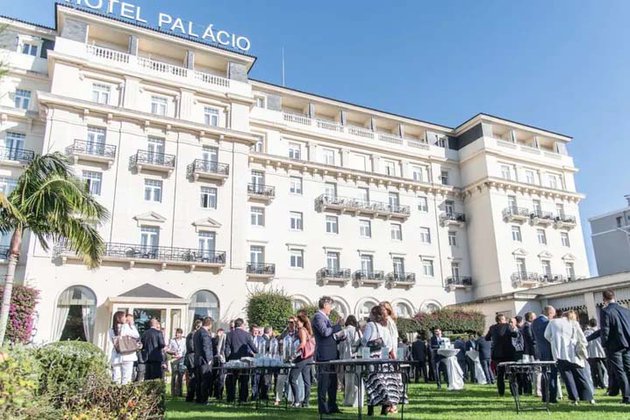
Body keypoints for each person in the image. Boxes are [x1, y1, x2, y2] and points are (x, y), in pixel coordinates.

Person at [361, 305, 404, 416]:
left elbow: (365, 340)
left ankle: (370, 410)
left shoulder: (370, 325)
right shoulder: (385, 329)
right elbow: (389, 346)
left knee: (371, 383)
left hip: (372, 357)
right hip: (384, 359)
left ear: (374, 315)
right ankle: (384, 408)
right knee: (384, 382)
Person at [544, 310, 594, 404]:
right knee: (581, 376)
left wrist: (554, 341)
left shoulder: (553, 322)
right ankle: (588, 397)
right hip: (574, 353)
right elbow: (582, 338)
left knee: (568, 378)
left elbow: (546, 335)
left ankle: (574, 398)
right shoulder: (574, 323)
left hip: (560, 354)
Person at [312, 296, 343, 415]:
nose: (331, 308)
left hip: (331, 353)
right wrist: (337, 326)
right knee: (324, 383)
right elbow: (325, 332)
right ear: (325, 305)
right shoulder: (318, 317)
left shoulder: (325, 317)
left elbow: (329, 335)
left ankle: (332, 405)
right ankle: (323, 407)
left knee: (333, 382)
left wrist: (338, 337)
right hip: (324, 355)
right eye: (330, 306)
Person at [600, 290, 630, 404]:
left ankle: (627, 397)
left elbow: (605, 330)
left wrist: (604, 344)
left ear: (604, 299)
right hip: (627, 343)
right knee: (628, 369)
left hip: (614, 345)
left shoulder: (606, 311)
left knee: (620, 371)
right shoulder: (625, 310)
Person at [225, 318, 258, 403]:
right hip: (244, 361)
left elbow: (227, 349)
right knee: (244, 380)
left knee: (232, 380)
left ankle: (231, 398)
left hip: (232, 361)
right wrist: (256, 352)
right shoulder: (246, 335)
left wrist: (228, 359)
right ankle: (243, 398)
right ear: (242, 325)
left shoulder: (229, 334)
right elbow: (253, 348)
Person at [485, 314, 517, 396]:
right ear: (502, 320)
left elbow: (487, 338)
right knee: (511, 372)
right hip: (508, 352)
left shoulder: (492, 328)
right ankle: (513, 391)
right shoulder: (507, 326)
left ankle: (501, 392)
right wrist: (513, 329)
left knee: (500, 374)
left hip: (497, 353)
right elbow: (514, 334)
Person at [532, 306, 559, 403]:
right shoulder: (548, 322)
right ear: (550, 313)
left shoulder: (534, 322)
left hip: (541, 351)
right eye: (553, 314)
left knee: (544, 374)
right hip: (550, 351)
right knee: (552, 375)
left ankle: (544, 396)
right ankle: (552, 397)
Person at [289, 314, 314, 408]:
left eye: (297, 322)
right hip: (309, 357)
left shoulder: (301, 330)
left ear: (302, 322)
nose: (296, 323)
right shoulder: (307, 330)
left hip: (302, 357)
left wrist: (294, 353)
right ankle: (306, 402)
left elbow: (303, 343)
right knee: (307, 380)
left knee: (292, 378)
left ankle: (297, 401)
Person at [109, 310, 140, 385]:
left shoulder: (111, 330)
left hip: (116, 356)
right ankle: (124, 395)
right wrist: (131, 324)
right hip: (128, 355)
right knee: (126, 378)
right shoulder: (126, 327)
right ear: (120, 318)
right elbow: (136, 335)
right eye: (124, 316)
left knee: (116, 378)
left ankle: (115, 394)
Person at [339, 315, 362, 406]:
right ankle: (357, 401)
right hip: (357, 357)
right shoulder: (358, 331)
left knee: (348, 380)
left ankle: (348, 400)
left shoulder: (345, 331)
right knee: (357, 380)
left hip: (347, 358)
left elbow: (339, 344)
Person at [193, 316, 214, 405]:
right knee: (205, 380)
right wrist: (209, 359)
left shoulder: (197, 332)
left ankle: (198, 398)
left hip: (197, 359)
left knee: (199, 380)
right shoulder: (204, 333)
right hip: (204, 360)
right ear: (209, 324)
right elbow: (206, 347)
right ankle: (204, 400)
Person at [584, 318, 608, 389]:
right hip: (602, 352)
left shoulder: (587, 332)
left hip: (593, 353)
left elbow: (585, 342)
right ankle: (607, 383)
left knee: (598, 370)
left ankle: (600, 384)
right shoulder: (601, 330)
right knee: (607, 368)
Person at [185, 320, 202, 402]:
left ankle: (192, 395)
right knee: (192, 377)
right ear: (197, 326)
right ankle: (190, 396)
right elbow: (191, 347)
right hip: (192, 357)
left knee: (194, 377)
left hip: (193, 357)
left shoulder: (193, 335)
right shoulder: (192, 335)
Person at [166, 328, 186, 397]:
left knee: (180, 375)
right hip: (174, 359)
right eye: (176, 333)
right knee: (174, 375)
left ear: (181, 334)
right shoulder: (172, 341)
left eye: (178, 333)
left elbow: (185, 350)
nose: (177, 334)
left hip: (181, 358)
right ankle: (173, 392)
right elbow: (168, 349)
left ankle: (179, 392)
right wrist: (173, 352)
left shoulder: (184, 340)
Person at [212, 328, 226, 399]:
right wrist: (217, 337)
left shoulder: (224, 338)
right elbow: (214, 345)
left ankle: (219, 393)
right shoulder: (214, 339)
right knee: (214, 377)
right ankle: (214, 393)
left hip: (222, 359)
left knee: (220, 377)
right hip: (215, 359)